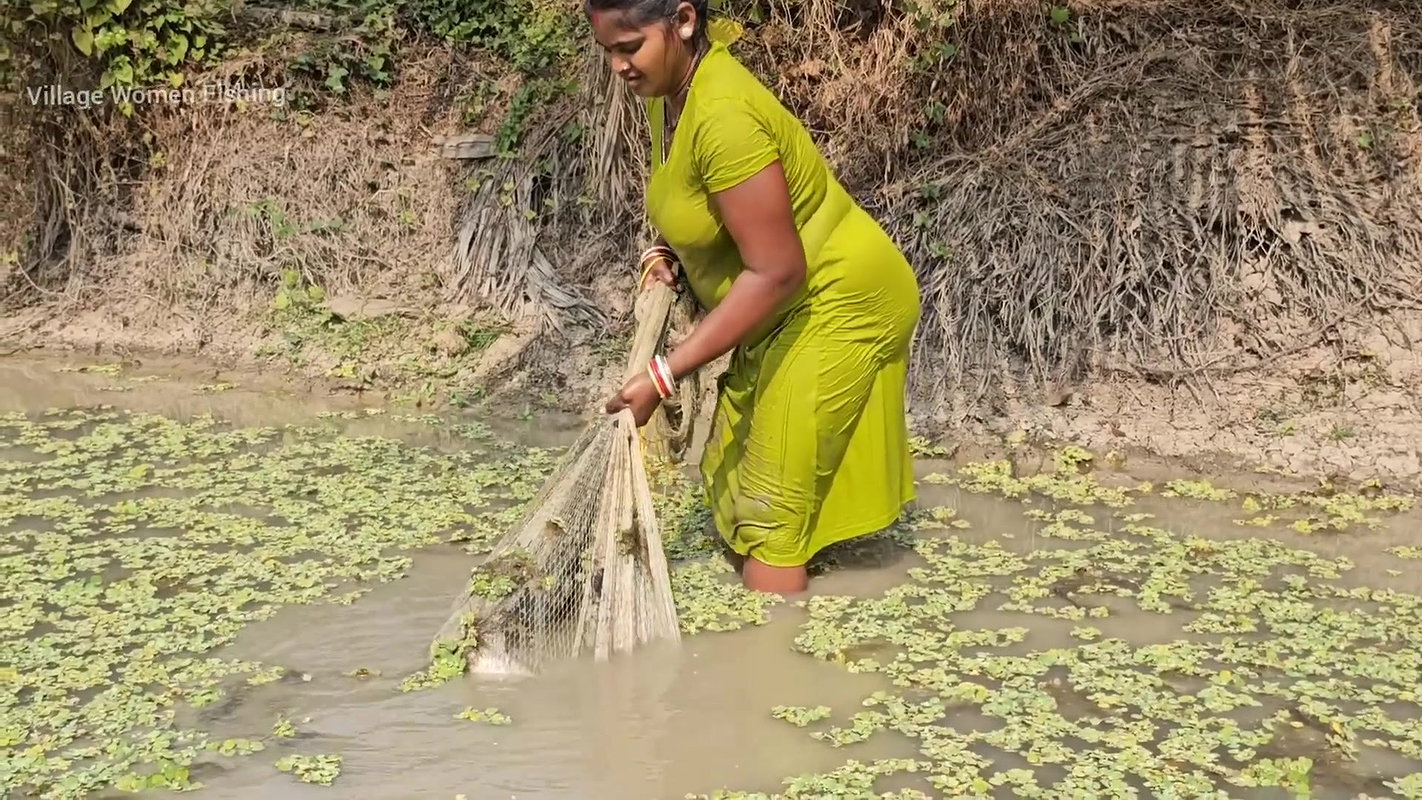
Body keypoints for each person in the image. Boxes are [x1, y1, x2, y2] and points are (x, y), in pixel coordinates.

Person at [591, 0, 922, 595]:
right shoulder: (671, 94)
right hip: (780, 310)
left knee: (770, 516)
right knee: (735, 478)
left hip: (837, 300)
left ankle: (776, 669)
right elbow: (691, 196)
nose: (619, 65)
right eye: (608, 51)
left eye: (630, 46)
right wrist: (662, 253)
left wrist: (662, 376)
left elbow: (776, 271)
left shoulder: (724, 116)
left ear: (684, 21)